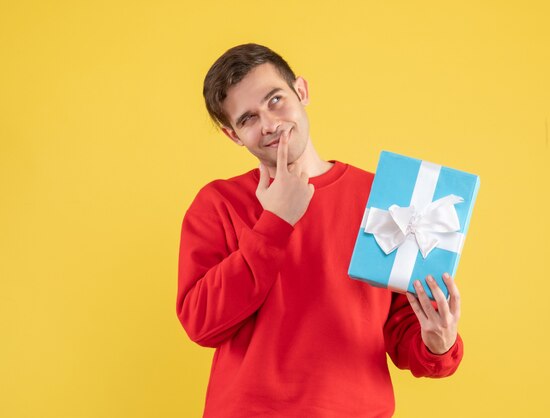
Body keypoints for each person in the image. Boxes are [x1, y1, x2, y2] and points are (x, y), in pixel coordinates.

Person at [177, 43, 463, 418]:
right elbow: (201, 324)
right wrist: (274, 224)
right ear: (232, 135)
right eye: (248, 119)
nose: (269, 124)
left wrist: (437, 344)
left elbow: (404, 327)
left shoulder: (383, 199)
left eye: (275, 99)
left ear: (302, 91)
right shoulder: (219, 203)